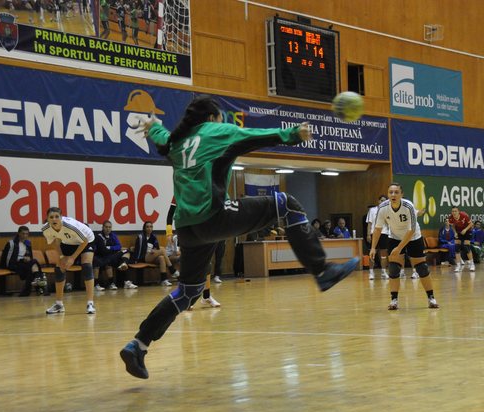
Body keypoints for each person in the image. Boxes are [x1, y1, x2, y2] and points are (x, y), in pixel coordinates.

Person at [119, 95, 358, 379]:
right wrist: (293, 134)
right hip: (214, 217)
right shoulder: (217, 131)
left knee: (189, 292)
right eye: (220, 116)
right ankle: (321, 271)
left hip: (187, 228)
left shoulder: (177, 142)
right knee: (286, 204)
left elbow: (161, 138)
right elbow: (254, 136)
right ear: (213, 117)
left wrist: (153, 126)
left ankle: (138, 345)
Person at [369, 182, 439, 311]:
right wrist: (373, 248)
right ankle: (394, 300)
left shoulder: (408, 206)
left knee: (422, 268)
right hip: (394, 237)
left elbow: (411, 230)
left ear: (401, 194)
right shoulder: (383, 208)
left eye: (396, 192)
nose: (393, 195)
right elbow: (377, 229)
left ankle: (431, 298)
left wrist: (399, 248)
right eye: (390, 192)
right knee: (393, 269)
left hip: (413, 237)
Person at [41, 207, 97, 314]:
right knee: (59, 269)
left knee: (87, 266)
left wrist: (72, 258)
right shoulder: (46, 229)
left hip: (87, 240)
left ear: (61, 217)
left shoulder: (70, 226)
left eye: (57, 216)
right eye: (51, 217)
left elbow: (84, 241)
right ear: (47, 219)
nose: (54, 219)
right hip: (68, 242)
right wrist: (62, 257)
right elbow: (55, 242)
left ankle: (90, 303)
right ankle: (59, 304)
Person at [1, 226, 47, 296]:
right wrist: (12, 265)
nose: (25, 235)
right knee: (34, 266)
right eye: (23, 233)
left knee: (33, 265)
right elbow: (7, 258)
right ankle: (40, 288)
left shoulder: (28, 243)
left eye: (26, 234)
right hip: (14, 264)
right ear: (19, 233)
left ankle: (28, 291)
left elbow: (30, 256)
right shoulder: (11, 243)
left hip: (24, 263)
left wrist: (28, 258)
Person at [93, 220, 137, 290]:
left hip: (112, 256)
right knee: (125, 251)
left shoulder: (113, 236)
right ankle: (105, 284)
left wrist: (110, 247)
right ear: (103, 227)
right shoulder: (99, 236)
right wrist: (110, 249)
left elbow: (119, 246)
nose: (108, 229)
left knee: (124, 256)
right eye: (106, 227)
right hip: (102, 257)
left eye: (109, 227)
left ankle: (126, 282)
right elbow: (101, 249)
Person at [133, 221, 177, 286]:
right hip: (142, 257)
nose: (149, 228)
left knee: (161, 258)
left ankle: (164, 280)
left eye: (151, 227)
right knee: (162, 249)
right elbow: (138, 250)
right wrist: (136, 259)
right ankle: (171, 269)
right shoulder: (140, 237)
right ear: (144, 228)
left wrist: (154, 250)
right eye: (147, 227)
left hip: (151, 256)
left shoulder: (153, 237)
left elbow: (156, 247)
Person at [366, 195, 390, 279]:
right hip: (374, 233)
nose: (383, 202)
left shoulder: (388, 210)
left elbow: (390, 223)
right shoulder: (372, 210)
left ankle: (384, 272)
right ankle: (371, 272)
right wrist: (368, 234)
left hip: (384, 233)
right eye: (381, 200)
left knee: (384, 254)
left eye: (385, 201)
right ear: (378, 201)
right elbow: (369, 223)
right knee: (372, 253)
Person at [448, 207, 475, 272]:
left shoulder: (464, 215)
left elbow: (471, 224)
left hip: (467, 231)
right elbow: (453, 226)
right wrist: (455, 232)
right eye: (453, 211)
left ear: (458, 211)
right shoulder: (451, 218)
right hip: (458, 231)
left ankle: (472, 264)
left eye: (455, 211)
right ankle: (458, 265)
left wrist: (465, 230)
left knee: (466, 247)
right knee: (457, 248)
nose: (454, 212)